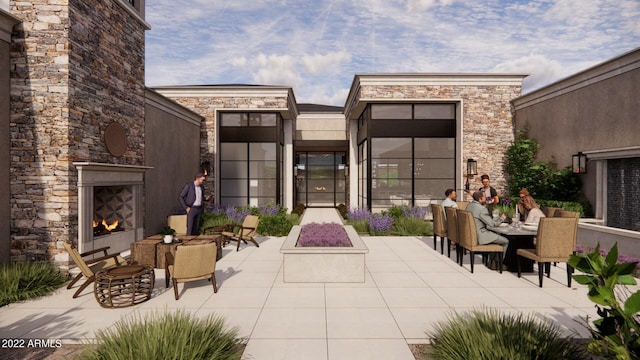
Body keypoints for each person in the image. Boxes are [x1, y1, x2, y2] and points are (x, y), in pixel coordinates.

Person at [466, 190, 509, 270]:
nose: (486, 199)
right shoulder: (482, 209)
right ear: (480, 199)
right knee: (505, 241)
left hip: (472, 235)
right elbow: (492, 224)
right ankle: (497, 264)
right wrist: (501, 218)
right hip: (481, 236)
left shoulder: (469, 206)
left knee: (495, 236)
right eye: (485, 197)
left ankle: (492, 262)